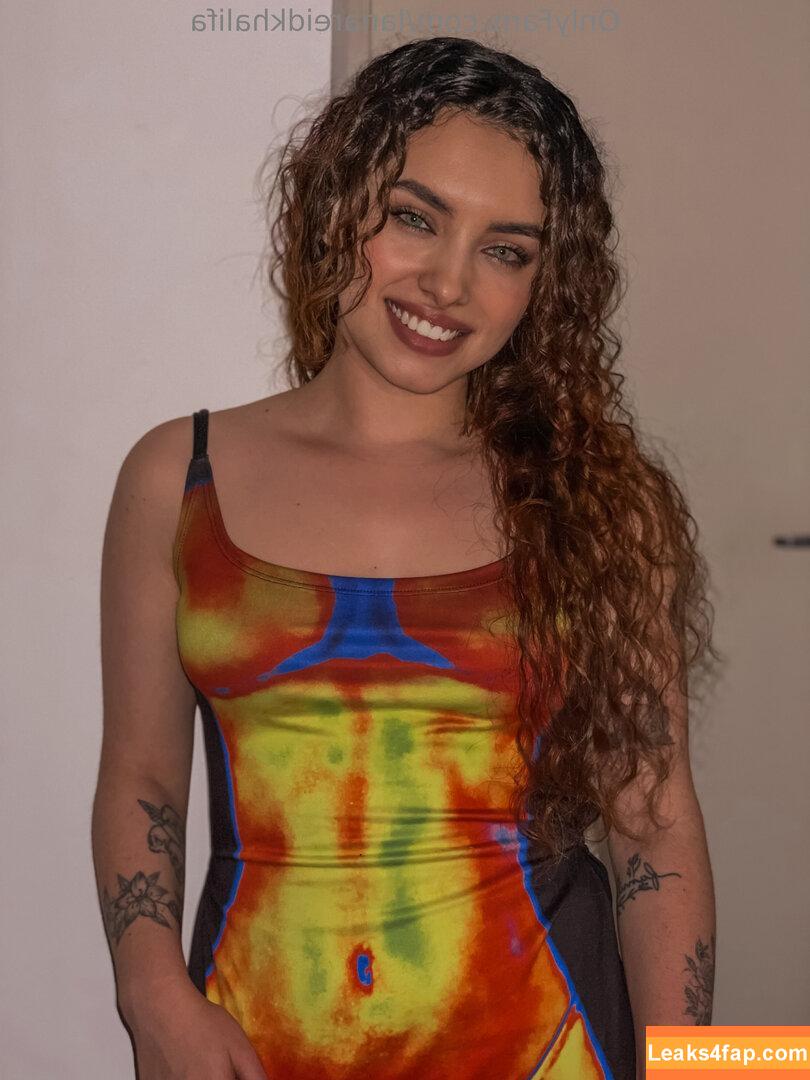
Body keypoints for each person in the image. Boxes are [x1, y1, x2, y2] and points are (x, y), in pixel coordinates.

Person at [92, 36, 718, 1080]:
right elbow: (142, 774)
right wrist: (151, 996)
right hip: (253, 1041)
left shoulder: (607, 505)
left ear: (545, 284)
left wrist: (705, 1073)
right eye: (415, 218)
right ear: (337, 204)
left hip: (553, 1047)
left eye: (507, 250)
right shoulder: (175, 475)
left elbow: (656, 823)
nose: (449, 282)